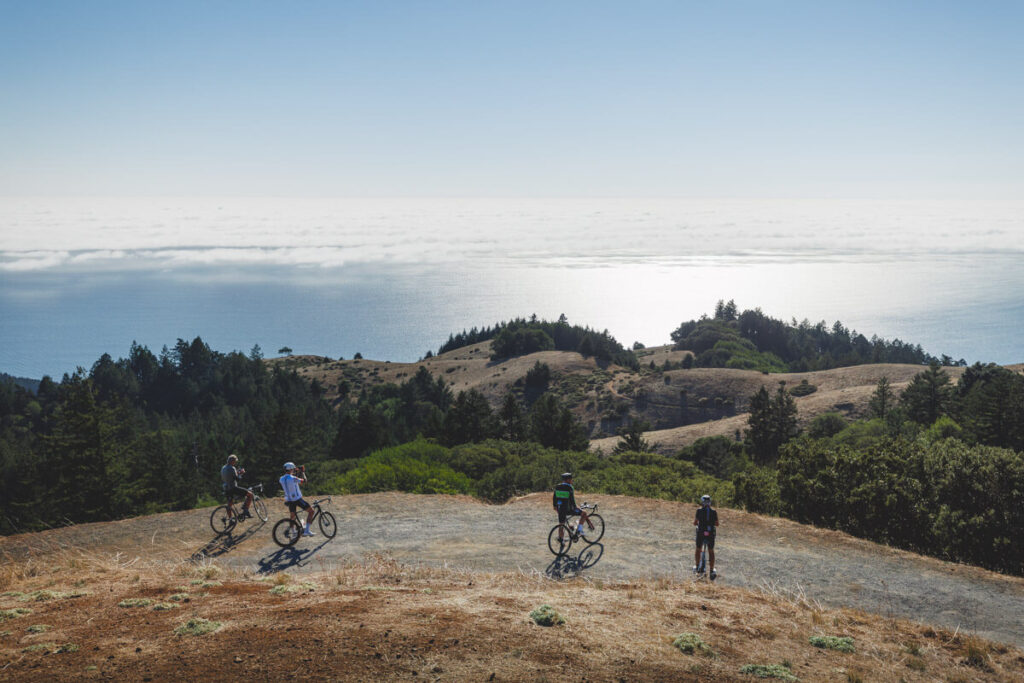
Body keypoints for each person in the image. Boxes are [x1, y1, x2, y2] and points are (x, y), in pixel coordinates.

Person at [553, 472, 594, 541]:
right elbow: (572, 501)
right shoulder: (570, 488)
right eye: (571, 479)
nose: (572, 481)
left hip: (560, 509)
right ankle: (579, 530)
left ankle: (561, 539)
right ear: (568, 480)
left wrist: (555, 506)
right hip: (569, 509)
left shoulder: (557, 487)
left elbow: (554, 498)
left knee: (561, 525)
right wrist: (576, 507)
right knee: (584, 513)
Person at [279, 462, 315, 537]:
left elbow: (291, 478)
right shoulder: (293, 478)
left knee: (292, 516)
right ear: (290, 469)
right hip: (297, 499)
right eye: (293, 469)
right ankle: (307, 531)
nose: (294, 470)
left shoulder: (281, 479)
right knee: (311, 511)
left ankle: (293, 532)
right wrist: (303, 472)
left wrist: (296, 472)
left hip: (289, 500)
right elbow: (304, 481)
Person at [693, 494, 719, 579]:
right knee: (711, 551)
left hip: (701, 533)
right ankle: (711, 570)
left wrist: (697, 523)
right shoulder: (714, 512)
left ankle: (697, 567)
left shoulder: (699, 511)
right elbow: (717, 524)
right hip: (710, 533)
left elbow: (695, 522)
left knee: (698, 549)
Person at [220, 454, 253, 519]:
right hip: (233, 488)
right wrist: (241, 473)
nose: (235, 463)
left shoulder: (223, 468)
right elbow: (237, 479)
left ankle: (230, 519)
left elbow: (230, 475)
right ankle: (246, 511)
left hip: (226, 488)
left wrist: (237, 472)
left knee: (229, 504)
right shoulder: (232, 468)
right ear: (232, 461)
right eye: (235, 461)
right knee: (250, 494)